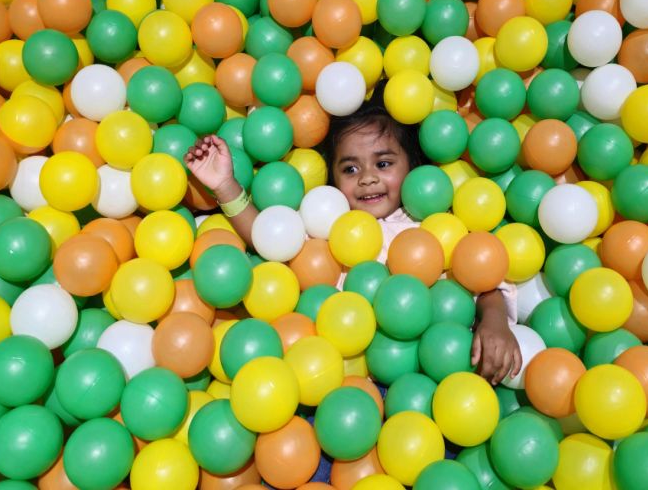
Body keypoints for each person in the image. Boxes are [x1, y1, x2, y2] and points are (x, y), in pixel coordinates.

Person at [185, 92, 522, 385]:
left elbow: (483, 283)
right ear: (332, 178)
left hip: (440, 371)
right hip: (345, 381)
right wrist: (225, 186)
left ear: (412, 166)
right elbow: (269, 240)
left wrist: (494, 322)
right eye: (350, 169)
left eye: (384, 163)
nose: (368, 179)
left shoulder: (430, 224)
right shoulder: (328, 227)